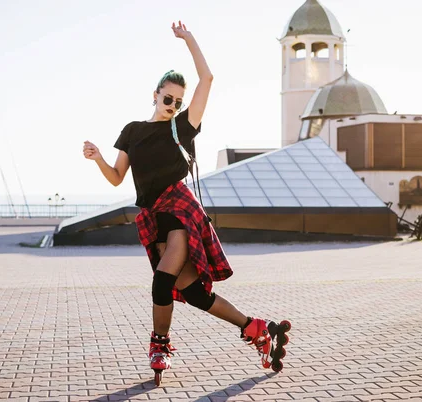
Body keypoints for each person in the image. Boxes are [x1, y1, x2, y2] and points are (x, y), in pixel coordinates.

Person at [83, 21, 290, 378]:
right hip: (152, 218)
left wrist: (188, 39)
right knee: (194, 293)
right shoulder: (132, 131)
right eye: (167, 99)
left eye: (178, 102)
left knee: (162, 281)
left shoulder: (182, 127)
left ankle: (159, 345)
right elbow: (118, 178)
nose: (172, 105)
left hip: (179, 211)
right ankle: (257, 328)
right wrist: (99, 157)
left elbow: (207, 79)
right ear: (155, 93)